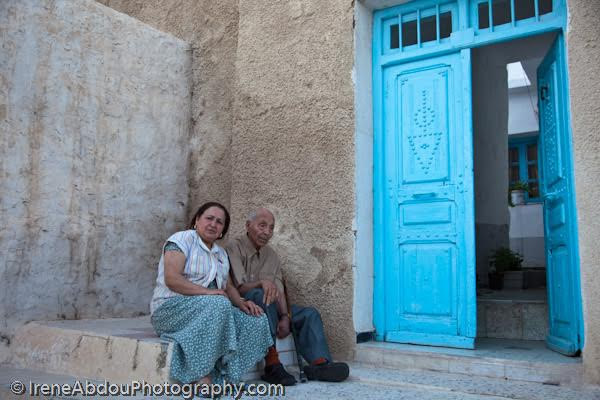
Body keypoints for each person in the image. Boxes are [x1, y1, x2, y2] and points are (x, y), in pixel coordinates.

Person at [150, 202, 273, 390]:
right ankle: (201, 375)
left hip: (209, 309)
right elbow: (172, 279)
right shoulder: (181, 240)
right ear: (197, 220)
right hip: (170, 309)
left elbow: (227, 286)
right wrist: (209, 293)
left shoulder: (220, 254)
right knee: (218, 304)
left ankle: (225, 375)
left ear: (223, 229)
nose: (213, 224)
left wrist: (242, 303)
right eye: (209, 218)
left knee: (256, 321)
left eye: (219, 222)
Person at [225, 208, 349, 386]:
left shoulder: (272, 255)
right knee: (261, 294)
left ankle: (319, 364)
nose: (267, 232)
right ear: (248, 225)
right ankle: (272, 364)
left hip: (270, 307)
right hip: (245, 305)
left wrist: (285, 316)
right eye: (262, 225)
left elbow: (279, 290)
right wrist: (261, 283)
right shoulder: (234, 247)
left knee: (309, 314)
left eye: (271, 228)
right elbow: (239, 287)